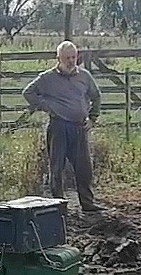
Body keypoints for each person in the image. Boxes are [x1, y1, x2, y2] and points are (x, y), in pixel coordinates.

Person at [22, 40, 101, 213]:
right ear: (58, 58)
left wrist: (93, 118)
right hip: (58, 127)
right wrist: (47, 106)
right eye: (67, 58)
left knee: (84, 168)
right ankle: (59, 205)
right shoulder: (47, 78)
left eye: (73, 57)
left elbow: (96, 96)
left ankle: (87, 203)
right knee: (57, 168)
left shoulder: (84, 76)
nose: (71, 61)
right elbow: (28, 92)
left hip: (79, 127)